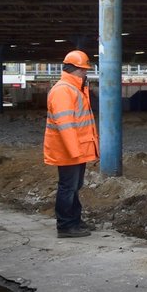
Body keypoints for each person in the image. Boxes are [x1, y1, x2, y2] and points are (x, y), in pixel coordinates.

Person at [44, 50, 99, 238]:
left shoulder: (74, 88)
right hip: (69, 151)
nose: (85, 73)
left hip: (76, 150)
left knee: (74, 186)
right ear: (75, 69)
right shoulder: (63, 90)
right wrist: (74, 152)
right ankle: (66, 225)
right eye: (84, 70)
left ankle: (75, 220)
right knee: (68, 187)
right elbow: (65, 125)